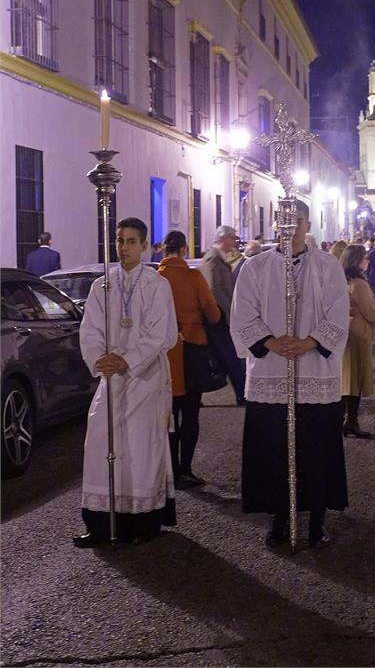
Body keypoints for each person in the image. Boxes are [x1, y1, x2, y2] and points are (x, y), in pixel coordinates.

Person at [231, 200, 349, 548]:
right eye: (282, 219)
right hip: (272, 369)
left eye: (295, 220)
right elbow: (242, 315)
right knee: (274, 449)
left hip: (314, 371)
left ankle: (316, 519)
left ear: (306, 223)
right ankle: (279, 516)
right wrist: (271, 341)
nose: (288, 226)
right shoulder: (254, 267)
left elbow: (338, 313)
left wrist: (309, 342)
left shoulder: (328, 267)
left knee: (315, 449)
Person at [74, 217, 178, 546]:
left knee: (140, 446)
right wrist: (99, 359)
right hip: (111, 376)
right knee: (100, 441)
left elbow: (162, 334)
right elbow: (90, 329)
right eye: (120, 241)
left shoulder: (157, 284)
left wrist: (127, 359)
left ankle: (142, 523)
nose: (124, 248)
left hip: (144, 376)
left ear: (145, 246)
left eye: (132, 241)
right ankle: (101, 522)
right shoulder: (102, 284)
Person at [158, 230, 221, 487]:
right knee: (191, 414)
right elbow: (213, 314)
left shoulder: (155, 279)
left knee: (169, 416)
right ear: (184, 249)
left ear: (163, 250)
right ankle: (185, 469)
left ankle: (170, 470)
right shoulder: (193, 276)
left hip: (164, 355)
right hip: (192, 351)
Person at [339, 244, 375, 437]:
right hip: (357, 332)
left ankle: (343, 420)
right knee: (354, 378)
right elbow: (368, 310)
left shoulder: (342, 279)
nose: (368, 260)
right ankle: (351, 421)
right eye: (365, 257)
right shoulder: (359, 283)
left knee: (346, 377)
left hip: (346, 331)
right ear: (357, 261)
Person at [201, 225, 246, 404]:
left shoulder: (218, 257)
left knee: (224, 358)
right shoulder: (213, 259)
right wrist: (230, 313)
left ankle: (201, 390)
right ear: (224, 239)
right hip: (219, 318)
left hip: (220, 317)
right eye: (233, 238)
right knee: (230, 356)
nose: (235, 242)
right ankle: (242, 393)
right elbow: (215, 290)